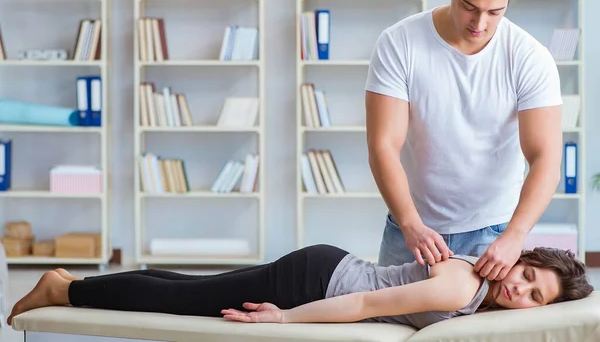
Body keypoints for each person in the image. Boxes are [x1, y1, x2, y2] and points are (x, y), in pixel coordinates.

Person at [365, 0, 563, 280]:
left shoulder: (530, 57)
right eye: (470, 6)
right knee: (387, 325)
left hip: (494, 234)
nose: (480, 23)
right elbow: (383, 145)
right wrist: (411, 223)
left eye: (495, 12)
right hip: (411, 227)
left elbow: (545, 157)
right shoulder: (399, 43)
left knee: (479, 335)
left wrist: (515, 235)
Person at [7, 244, 593, 330]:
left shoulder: (478, 288)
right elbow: (366, 303)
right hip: (317, 280)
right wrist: (285, 318)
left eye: (536, 296)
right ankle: (63, 291)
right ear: (522, 260)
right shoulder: (460, 287)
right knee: (183, 302)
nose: (522, 292)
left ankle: (73, 282)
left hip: (326, 267)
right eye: (528, 276)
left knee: (188, 289)